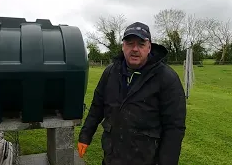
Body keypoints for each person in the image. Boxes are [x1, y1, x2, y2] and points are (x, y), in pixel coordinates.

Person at [77, 22, 186, 165]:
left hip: (146, 158)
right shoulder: (110, 72)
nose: (135, 49)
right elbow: (97, 106)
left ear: (149, 47)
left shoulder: (166, 78)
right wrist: (85, 135)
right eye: (130, 43)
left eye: (141, 44)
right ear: (123, 46)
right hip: (112, 156)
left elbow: (174, 127)